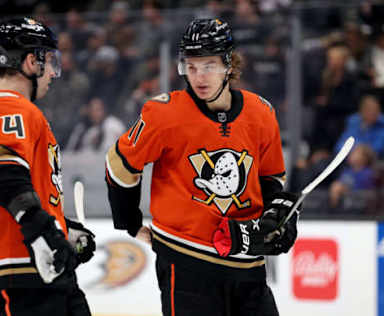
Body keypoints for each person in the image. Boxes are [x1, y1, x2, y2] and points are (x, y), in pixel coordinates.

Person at [105, 18, 301, 316]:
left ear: (229, 65)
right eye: (191, 66)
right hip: (186, 262)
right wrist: (130, 221)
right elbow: (119, 163)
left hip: (247, 264)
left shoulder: (261, 113)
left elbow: (269, 177)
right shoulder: (164, 113)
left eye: (208, 65)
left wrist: (278, 217)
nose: (199, 76)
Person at [0, 17, 95, 316]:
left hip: (38, 265)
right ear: (31, 62)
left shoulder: (16, 110)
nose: (52, 72)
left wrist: (62, 229)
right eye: (48, 61)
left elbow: (24, 186)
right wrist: (41, 230)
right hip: (20, 266)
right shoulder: (7, 105)